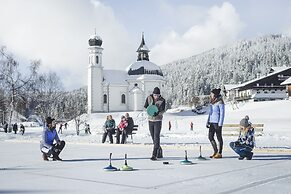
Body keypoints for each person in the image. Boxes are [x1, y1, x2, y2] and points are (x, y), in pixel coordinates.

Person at [144, 87, 166, 161]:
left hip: (158, 120)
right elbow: (145, 107)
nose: (156, 96)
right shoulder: (149, 98)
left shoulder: (162, 100)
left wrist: (158, 113)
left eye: (157, 95)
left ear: (159, 95)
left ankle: (154, 154)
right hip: (150, 120)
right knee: (153, 136)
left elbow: (163, 110)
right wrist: (148, 110)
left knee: (156, 136)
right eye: (155, 95)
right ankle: (159, 149)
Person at [206, 88, 225, 159]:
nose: (211, 95)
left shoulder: (220, 102)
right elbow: (210, 113)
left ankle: (219, 153)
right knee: (210, 137)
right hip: (212, 122)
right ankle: (215, 151)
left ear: (215, 95)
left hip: (217, 122)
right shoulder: (212, 102)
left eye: (212, 94)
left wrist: (220, 124)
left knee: (218, 137)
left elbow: (222, 114)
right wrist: (208, 121)